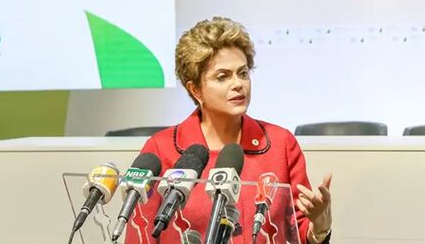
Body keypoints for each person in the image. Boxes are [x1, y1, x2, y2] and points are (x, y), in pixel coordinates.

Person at [125, 17, 332, 244]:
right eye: (223, 76)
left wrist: (319, 228)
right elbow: (140, 236)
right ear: (196, 90)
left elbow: (299, 232)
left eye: (243, 73)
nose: (238, 84)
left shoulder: (281, 143)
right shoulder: (160, 148)